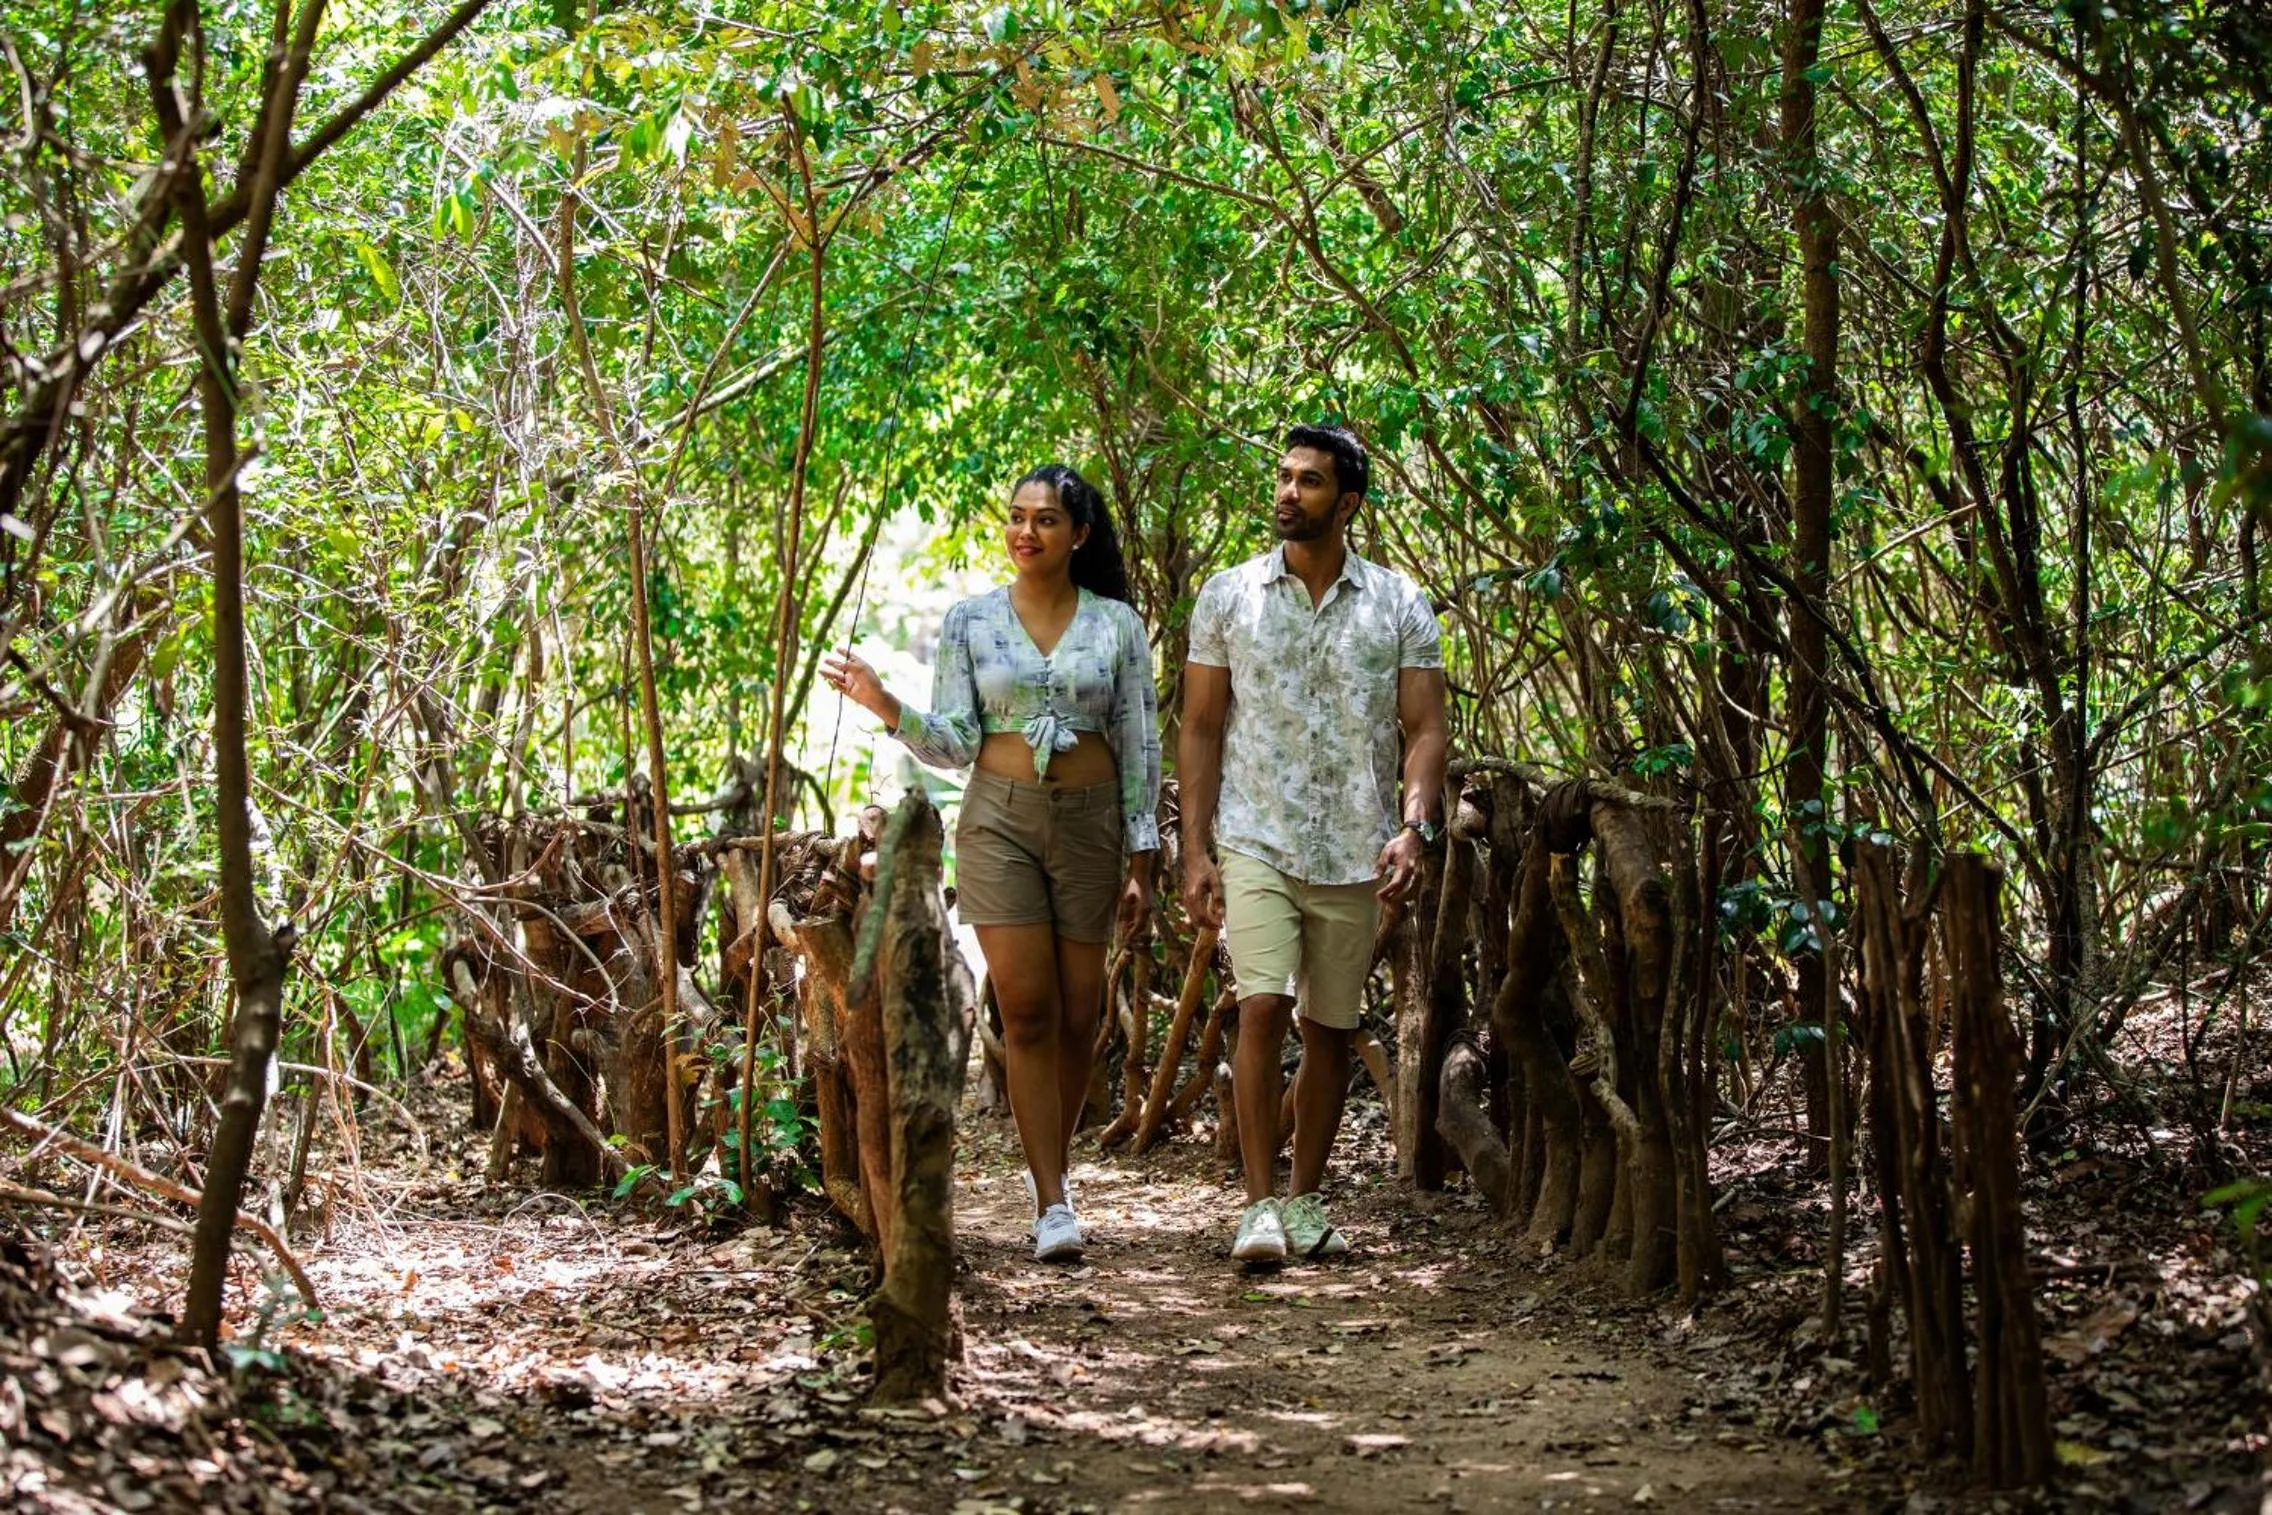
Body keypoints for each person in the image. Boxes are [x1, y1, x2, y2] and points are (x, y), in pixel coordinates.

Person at [821, 464, 1159, 1264]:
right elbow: (960, 742)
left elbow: (1140, 741)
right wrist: (883, 704)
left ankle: (1055, 1167)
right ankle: (1051, 1200)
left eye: (1045, 519)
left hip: (1091, 824)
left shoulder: (1117, 625)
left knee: (1082, 1015)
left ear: (1079, 534)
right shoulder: (971, 621)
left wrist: (1143, 853)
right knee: (1032, 1009)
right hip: (998, 821)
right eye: (1015, 517)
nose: (1025, 531)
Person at [1178, 424, 1448, 1266]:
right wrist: (1194, 849)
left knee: (1329, 1027)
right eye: (1285, 477)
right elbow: (1199, 726)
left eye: (1311, 481)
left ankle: (1303, 1203)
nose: (1289, 492)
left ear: (1350, 501)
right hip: (1257, 834)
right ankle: (1256, 1206)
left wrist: (1414, 825)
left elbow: (1427, 726)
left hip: (1356, 847)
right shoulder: (1228, 595)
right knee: (1260, 1005)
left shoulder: (1400, 603)